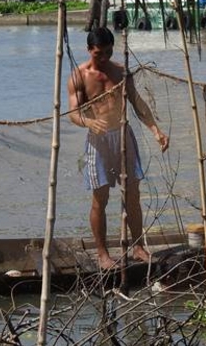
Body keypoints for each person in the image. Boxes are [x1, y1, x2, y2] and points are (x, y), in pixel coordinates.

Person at [67, 27, 169, 269]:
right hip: (97, 142)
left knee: (133, 195)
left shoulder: (122, 72)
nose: (103, 58)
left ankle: (139, 247)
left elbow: (137, 103)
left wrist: (156, 130)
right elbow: (73, 113)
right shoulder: (79, 76)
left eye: (108, 53)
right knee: (99, 199)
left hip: (123, 136)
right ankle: (102, 254)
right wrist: (89, 121)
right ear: (89, 50)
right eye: (98, 54)